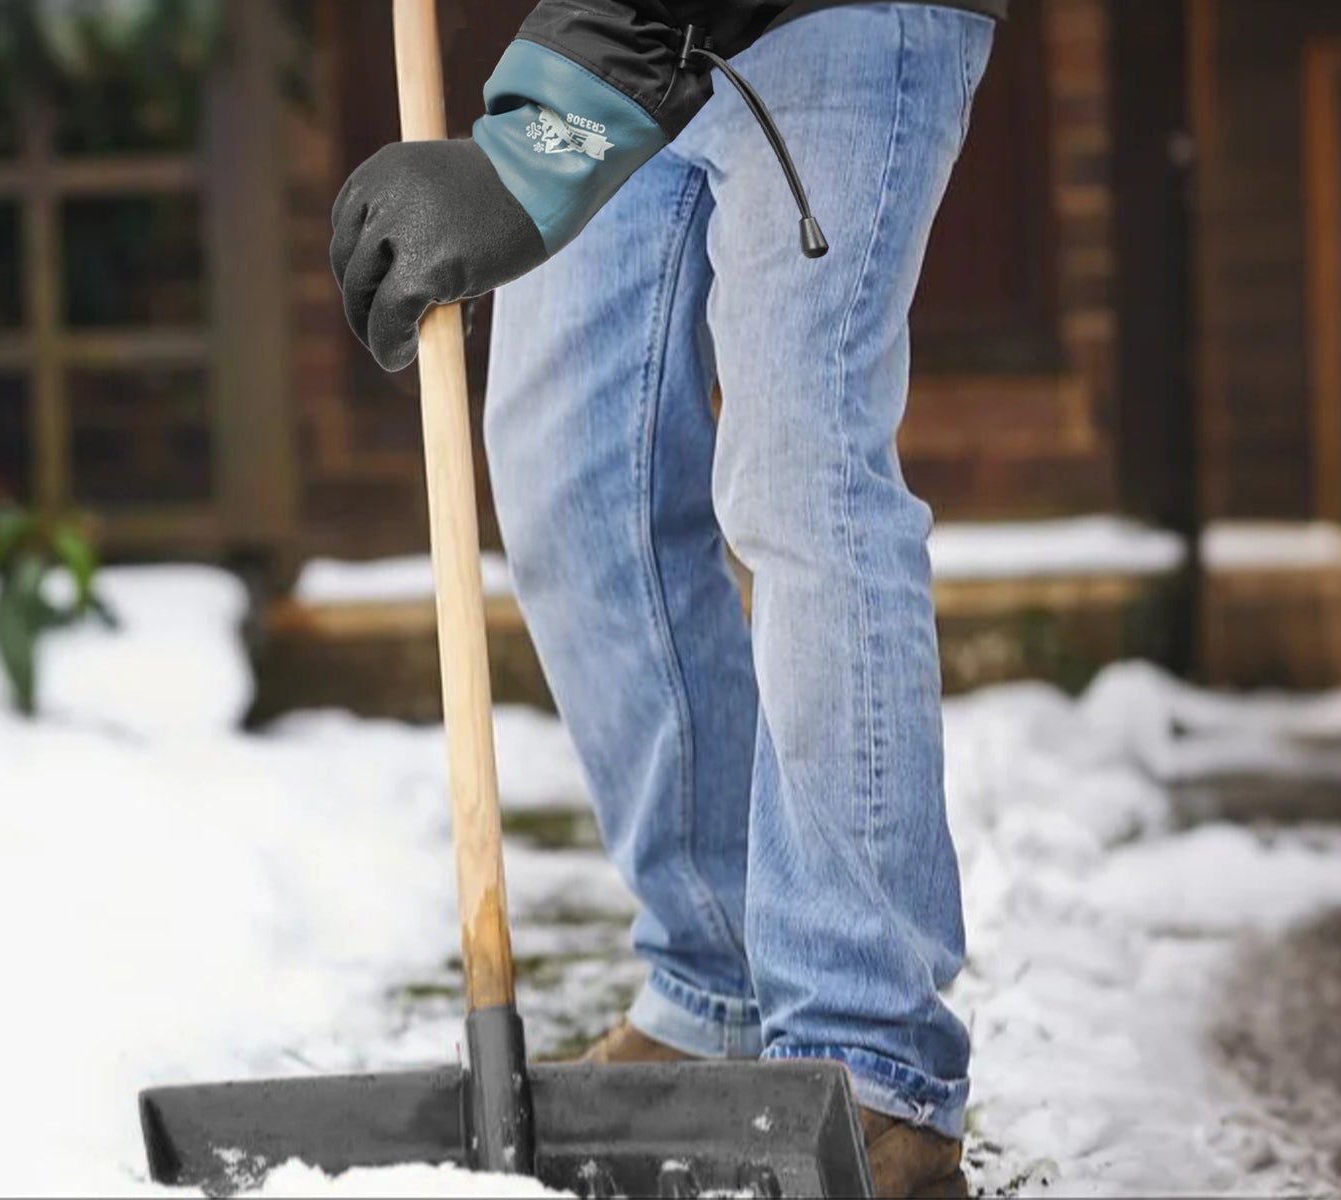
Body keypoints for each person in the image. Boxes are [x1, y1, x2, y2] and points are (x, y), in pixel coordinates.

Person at [328, 1, 1002, 1196]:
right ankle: (719, 982)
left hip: (833, 15)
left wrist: (538, 152)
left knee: (802, 467)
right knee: (568, 468)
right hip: (622, 30)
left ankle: (868, 1060)